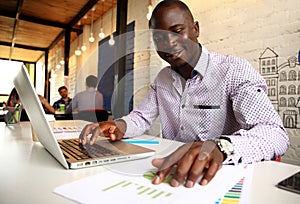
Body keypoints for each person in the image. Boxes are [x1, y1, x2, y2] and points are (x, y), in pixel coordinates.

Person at [79, 0, 289, 188]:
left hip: (223, 177)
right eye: (159, 38)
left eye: (177, 31)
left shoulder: (233, 70)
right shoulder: (163, 79)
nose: (169, 44)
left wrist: (221, 147)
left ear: (196, 29)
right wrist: (119, 126)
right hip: (172, 175)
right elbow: (141, 117)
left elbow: (275, 133)